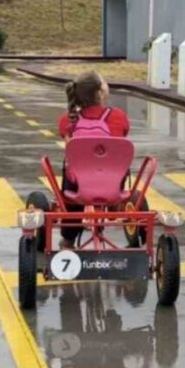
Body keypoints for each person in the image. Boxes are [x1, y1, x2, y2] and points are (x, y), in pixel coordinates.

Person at [56, 71, 131, 248]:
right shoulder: (118, 117)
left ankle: (68, 238)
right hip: (113, 182)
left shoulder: (67, 120)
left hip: (78, 186)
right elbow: (123, 135)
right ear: (100, 93)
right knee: (120, 162)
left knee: (70, 166)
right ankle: (114, 206)